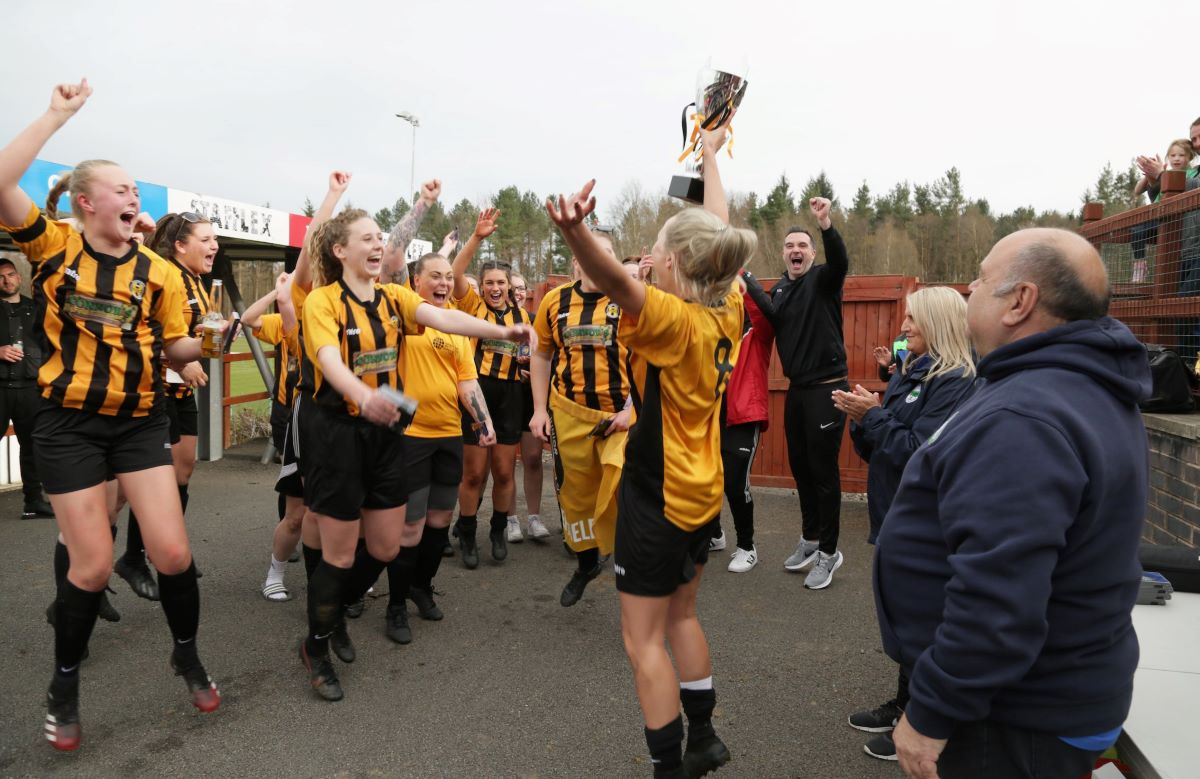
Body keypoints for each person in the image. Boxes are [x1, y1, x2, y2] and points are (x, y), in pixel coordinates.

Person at [877, 229, 1150, 779]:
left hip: (1015, 721)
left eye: (980, 278)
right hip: (1047, 699)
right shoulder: (1068, 386)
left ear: (1020, 302)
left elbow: (997, 601)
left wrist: (929, 712)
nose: (969, 287)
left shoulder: (1025, 417)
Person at [0, 80, 220, 751]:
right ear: (87, 202)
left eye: (136, 191)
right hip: (67, 424)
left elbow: (177, 346)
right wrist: (57, 116)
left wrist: (209, 338)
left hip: (136, 423)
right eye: (121, 189)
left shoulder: (157, 272)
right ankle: (64, 682)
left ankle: (185, 651)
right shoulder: (54, 246)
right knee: (90, 566)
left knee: (175, 552)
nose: (134, 198)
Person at [546, 123, 753, 778]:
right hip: (700, 492)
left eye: (660, 247)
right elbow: (714, 227)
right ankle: (706, 734)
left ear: (674, 265)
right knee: (683, 615)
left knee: (642, 641)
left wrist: (576, 233)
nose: (650, 253)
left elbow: (615, 284)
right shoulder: (730, 304)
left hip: (657, 496)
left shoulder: (672, 319)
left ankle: (669, 766)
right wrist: (712, 157)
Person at [296, 206, 531, 701]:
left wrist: (503, 332)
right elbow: (328, 360)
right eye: (367, 238)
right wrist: (363, 398)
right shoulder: (322, 302)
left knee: (383, 547)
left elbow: (443, 316)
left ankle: (333, 609)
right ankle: (317, 644)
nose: (378, 244)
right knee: (338, 554)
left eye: (380, 237)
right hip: (337, 431)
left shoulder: (394, 297)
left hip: (386, 433)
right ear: (341, 251)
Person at [832, 286, 977, 762]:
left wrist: (872, 416)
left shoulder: (957, 381)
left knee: (924, 622)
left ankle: (922, 719)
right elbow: (881, 444)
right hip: (894, 514)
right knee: (906, 617)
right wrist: (863, 417)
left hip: (925, 525)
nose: (904, 327)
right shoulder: (912, 370)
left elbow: (919, 451)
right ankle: (903, 705)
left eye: (913, 319)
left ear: (937, 323)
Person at [381, 252, 495, 643]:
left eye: (449, 276)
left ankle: (421, 587)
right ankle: (395, 606)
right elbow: (389, 267)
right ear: (415, 281)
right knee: (409, 527)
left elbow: (467, 381)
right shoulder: (402, 317)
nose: (445, 283)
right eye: (435, 276)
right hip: (408, 437)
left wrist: (483, 421)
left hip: (448, 434)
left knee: (438, 523)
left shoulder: (457, 329)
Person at [529, 230, 634, 606]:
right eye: (588, 251)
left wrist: (635, 410)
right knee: (575, 495)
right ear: (575, 259)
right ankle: (587, 563)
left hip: (620, 414)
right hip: (568, 413)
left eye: (604, 252)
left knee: (622, 484)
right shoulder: (554, 302)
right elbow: (540, 355)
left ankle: (633, 562)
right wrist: (540, 410)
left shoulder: (629, 297)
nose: (595, 257)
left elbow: (655, 359)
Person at [761, 199, 850, 589]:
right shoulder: (781, 288)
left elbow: (841, 261)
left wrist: (826, 224)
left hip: (827, 389)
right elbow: (767, 310)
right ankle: (810, 540)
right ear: (783, 253)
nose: (795, 251)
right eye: (789, 246)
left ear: (812, 254)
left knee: (823, 474)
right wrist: (742, 276)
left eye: (802, 246)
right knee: (800, 469)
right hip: (797, 393)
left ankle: (830, 553)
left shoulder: (824, 279)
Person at [447, 209, 534, 566]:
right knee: (473, 473)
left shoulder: (523, 317)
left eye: (502, 283)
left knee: (502, 471)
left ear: (511, 286)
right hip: (477, 395)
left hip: (510, 398)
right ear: (481, 286)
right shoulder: (471, 306)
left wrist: (528, 369)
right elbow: (454, 274)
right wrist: (477, 238)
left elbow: (527, 357)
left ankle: (498, 529)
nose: (495, 289)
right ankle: (467, 532)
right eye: (490, 283)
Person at [707, 269, 774, 573]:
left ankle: (747, 546)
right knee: (705, 478)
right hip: (708, 415)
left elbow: (763, 309)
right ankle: (713, 534)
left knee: (735, 484)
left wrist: (739, 271)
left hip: (743, 415)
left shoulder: (757, 332)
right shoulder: (711, 330)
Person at [243, 272, 301, 601]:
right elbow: (249, 318)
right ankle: (284, 550)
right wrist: (277, 292)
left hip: (333, 417)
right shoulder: (286, 320)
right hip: (289, 413)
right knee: (293, 485)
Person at [0, 257, 54, 518]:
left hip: (31, 388)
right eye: (1, 276)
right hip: (0, 388)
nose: (6, 280)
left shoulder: (35, 309)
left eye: (10, 275)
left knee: (32, 447)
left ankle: (34, 500)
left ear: (19, 278)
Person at [506, 271, 549, 543]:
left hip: (531, 399)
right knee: (506, 462)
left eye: (521, 289)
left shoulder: (535, 321)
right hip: (507, 397)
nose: (517, 294)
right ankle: (510, 520)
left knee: (532, 458)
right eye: (513, 289)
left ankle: (534, 518)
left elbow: (545, 358)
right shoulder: (495, 323)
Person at [1130, 138, 1198, 281]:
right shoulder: (1165, 173)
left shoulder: (1192, 174)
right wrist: (1149, 173)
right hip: (1158, 215)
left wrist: (1162, 173)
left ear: (1190, 157)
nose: (1177, 159)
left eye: (1181, 155)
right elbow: (1137, 191)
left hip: (1175, 220)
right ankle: (1140, 265)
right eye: (1173, 156)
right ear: (1168, 157)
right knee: (1137, 230)